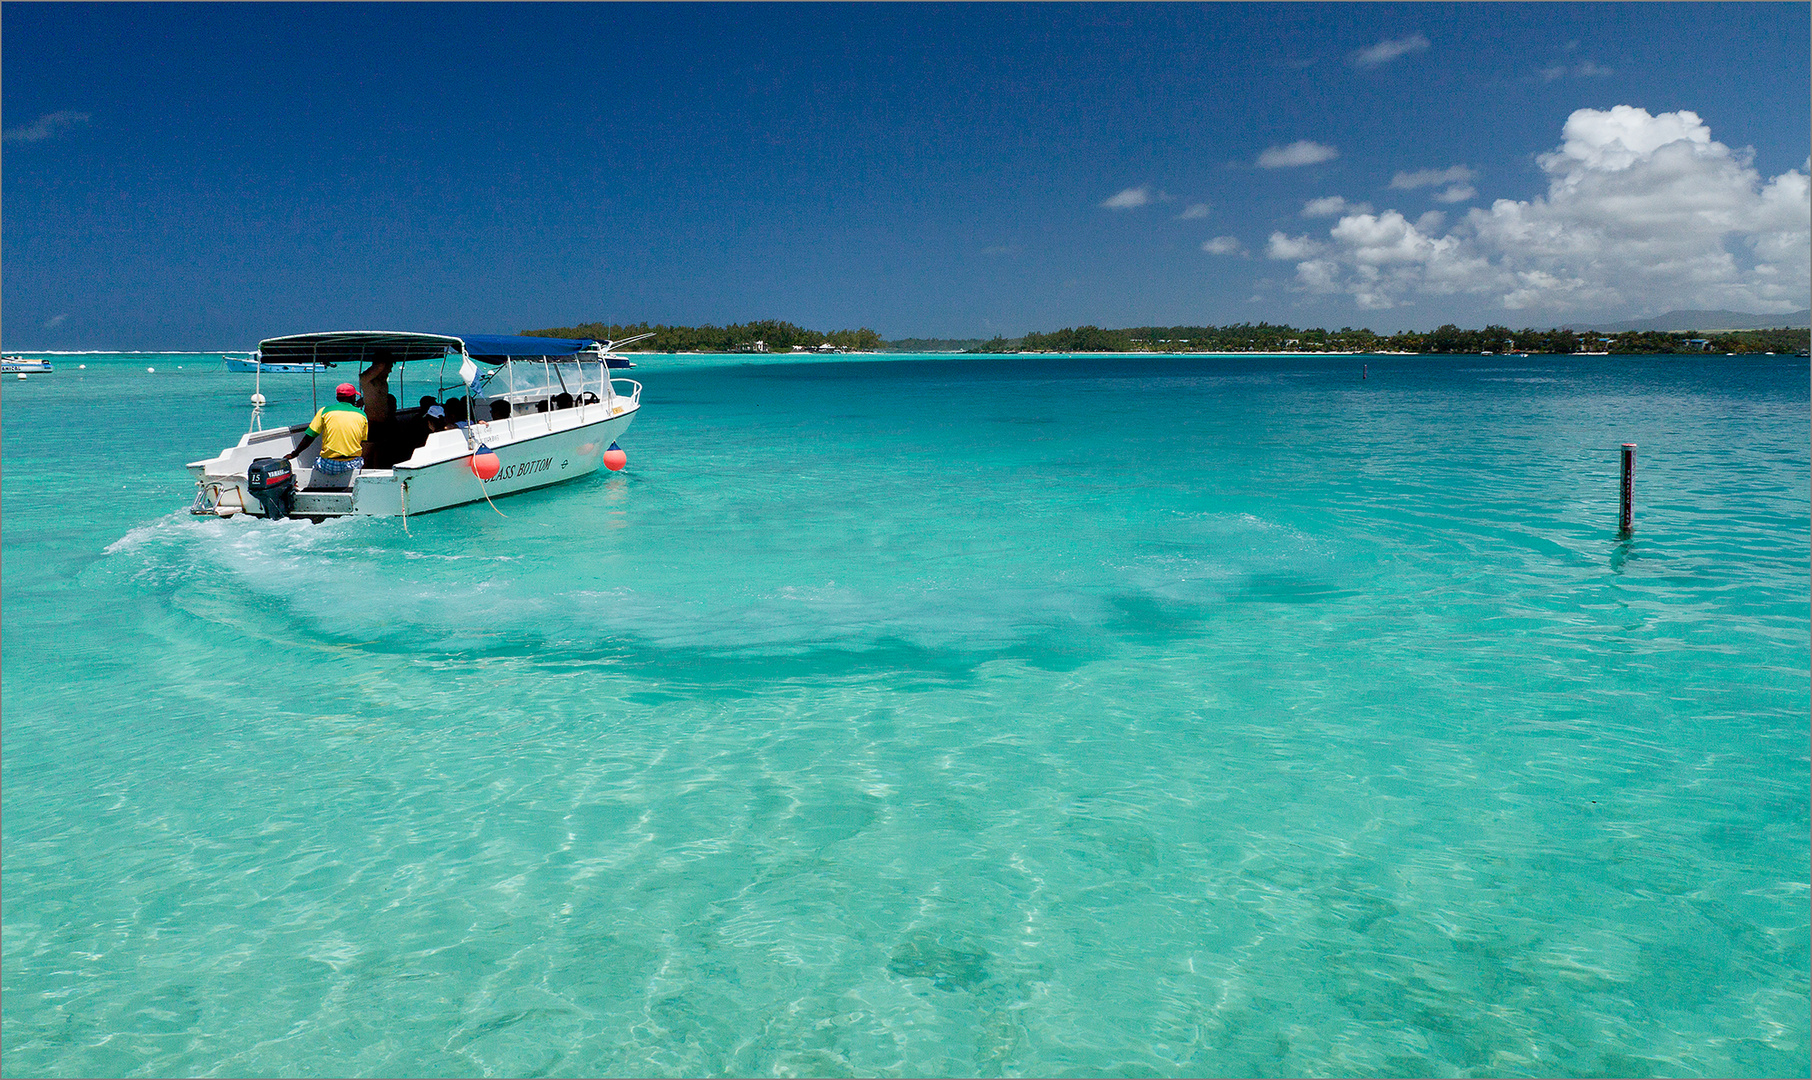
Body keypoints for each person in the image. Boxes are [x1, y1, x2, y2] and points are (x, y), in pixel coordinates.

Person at [285, 382, 369, 485]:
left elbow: (309, 437)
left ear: (337, 398)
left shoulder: (324, 411)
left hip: (328, 465)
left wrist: (294, 453)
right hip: (351, 465)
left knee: (318, 460)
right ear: (353, 397)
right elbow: (363, 442)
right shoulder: (362, 415)